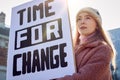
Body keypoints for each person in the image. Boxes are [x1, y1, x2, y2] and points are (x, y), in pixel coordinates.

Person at [56, 7, 116, 80]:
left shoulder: (103, 49)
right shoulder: (70, 49)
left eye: (87, 18)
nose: (82, 22)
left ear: (97, 25)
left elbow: (84, 77)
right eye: (79, 19)